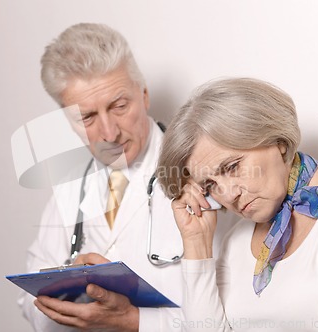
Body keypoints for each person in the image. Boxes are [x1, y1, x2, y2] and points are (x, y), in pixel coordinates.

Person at [18, 23, 236, 331]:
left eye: (119, 106)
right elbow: (31, 303)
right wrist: (72, 296)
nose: (109, 133)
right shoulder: (72, 185)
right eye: (87, 117)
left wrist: (134, 320)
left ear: (144, 96)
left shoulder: (203, 177)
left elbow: (234, 315)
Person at [156, 77, 318, 331]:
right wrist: (196, 242)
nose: (228, 194)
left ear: (279, 142)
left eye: (232, 167)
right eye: (209, 185)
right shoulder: (236, 240)